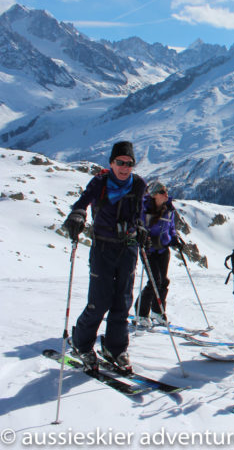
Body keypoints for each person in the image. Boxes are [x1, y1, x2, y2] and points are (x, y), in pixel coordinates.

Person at [63, 141, 147, 372]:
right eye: (120, 162)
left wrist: (141, 227)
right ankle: (81, 343)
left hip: (128, 247)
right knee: (99, 300)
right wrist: (78, 215)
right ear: (111, 163)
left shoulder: (138, 184)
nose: (124, 167)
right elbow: (82, 202)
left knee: (122, 301)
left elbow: (139, 212)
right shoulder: (100, 182)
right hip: (103, 247)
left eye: (129, 163)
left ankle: (115, 348)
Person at [135, 181, 183, 326]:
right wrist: (144, 238)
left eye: (166, 191)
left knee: (163, 281)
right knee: (154, 281)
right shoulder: (145, 208)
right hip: (148, 249)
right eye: (162, 192)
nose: (166, 194)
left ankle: (158, 311)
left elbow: (171, 227)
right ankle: (141, 312)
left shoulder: (168, 208)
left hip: (163, 248)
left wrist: (174, 238)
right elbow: (140, 226)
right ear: (154, 195)